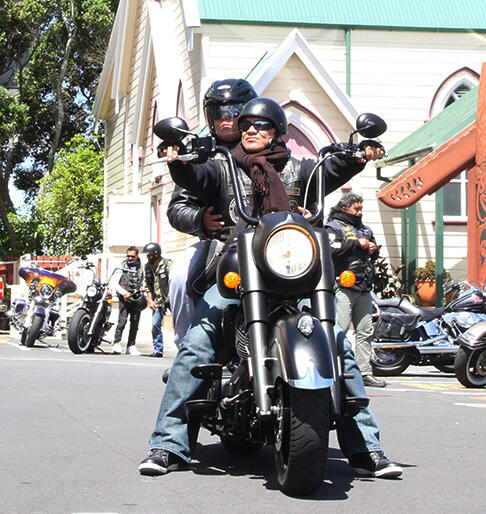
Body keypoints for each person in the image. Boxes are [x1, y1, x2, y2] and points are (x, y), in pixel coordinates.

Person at [139, 97, 401, 479]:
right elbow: (195, 178)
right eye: (245, 124)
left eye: (259, 125)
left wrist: (359, 152)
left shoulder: (304, 170)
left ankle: (367, 449)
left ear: (279, 132)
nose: (249, 130)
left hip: (291, 273)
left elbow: (334, 168)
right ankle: (168, 445)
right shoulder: (224, 165)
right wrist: (181, 159)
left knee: (339, 346)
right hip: (238, 271)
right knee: (197, 344)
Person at [166, 78, 257, 348]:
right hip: (217, 243)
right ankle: (187, 348)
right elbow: (177, 207)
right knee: (181, 277)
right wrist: (200, 221)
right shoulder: (200, 153)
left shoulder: (268, 148)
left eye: (233, 111)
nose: (225, 119)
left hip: (267, 242)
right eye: (218, 112)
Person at [326, 193, 385, 388]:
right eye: (356, 209)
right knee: (339, 329)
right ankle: (334, 368)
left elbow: (374, 253)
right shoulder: (333, 227)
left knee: (365, 331)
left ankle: (365, 372)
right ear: (344, 208)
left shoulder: (365, 229)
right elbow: (329, 249)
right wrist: (356, 244)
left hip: (364, 285)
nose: (359, 212)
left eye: (361, 209)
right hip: (342, 285)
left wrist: (373, 250)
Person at [111, 246, 145, 355]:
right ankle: (116, 343)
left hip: (136, 299)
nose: (130, 258)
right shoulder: (121, 266)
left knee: (135, 323)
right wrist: (123, 292)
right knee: (122, 321)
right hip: (124, 298)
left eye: (132, 256)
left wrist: (143, 288)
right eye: (128, 256)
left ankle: (131, 345)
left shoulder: (142, 267)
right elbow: (114, 283)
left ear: (137, 256)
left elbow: (145, 281)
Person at [143, 243, 172, 358]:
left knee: (180, 324)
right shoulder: (147, 267)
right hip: (158, 301)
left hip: (171, 299)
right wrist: (150, 300)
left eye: (149, 255)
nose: (148, 257)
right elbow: (148, 285)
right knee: (155, 325)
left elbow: (174, 280)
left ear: (156, 254)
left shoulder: (167, 264)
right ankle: (158, 349)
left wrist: (170, 297)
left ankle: (184, 349)